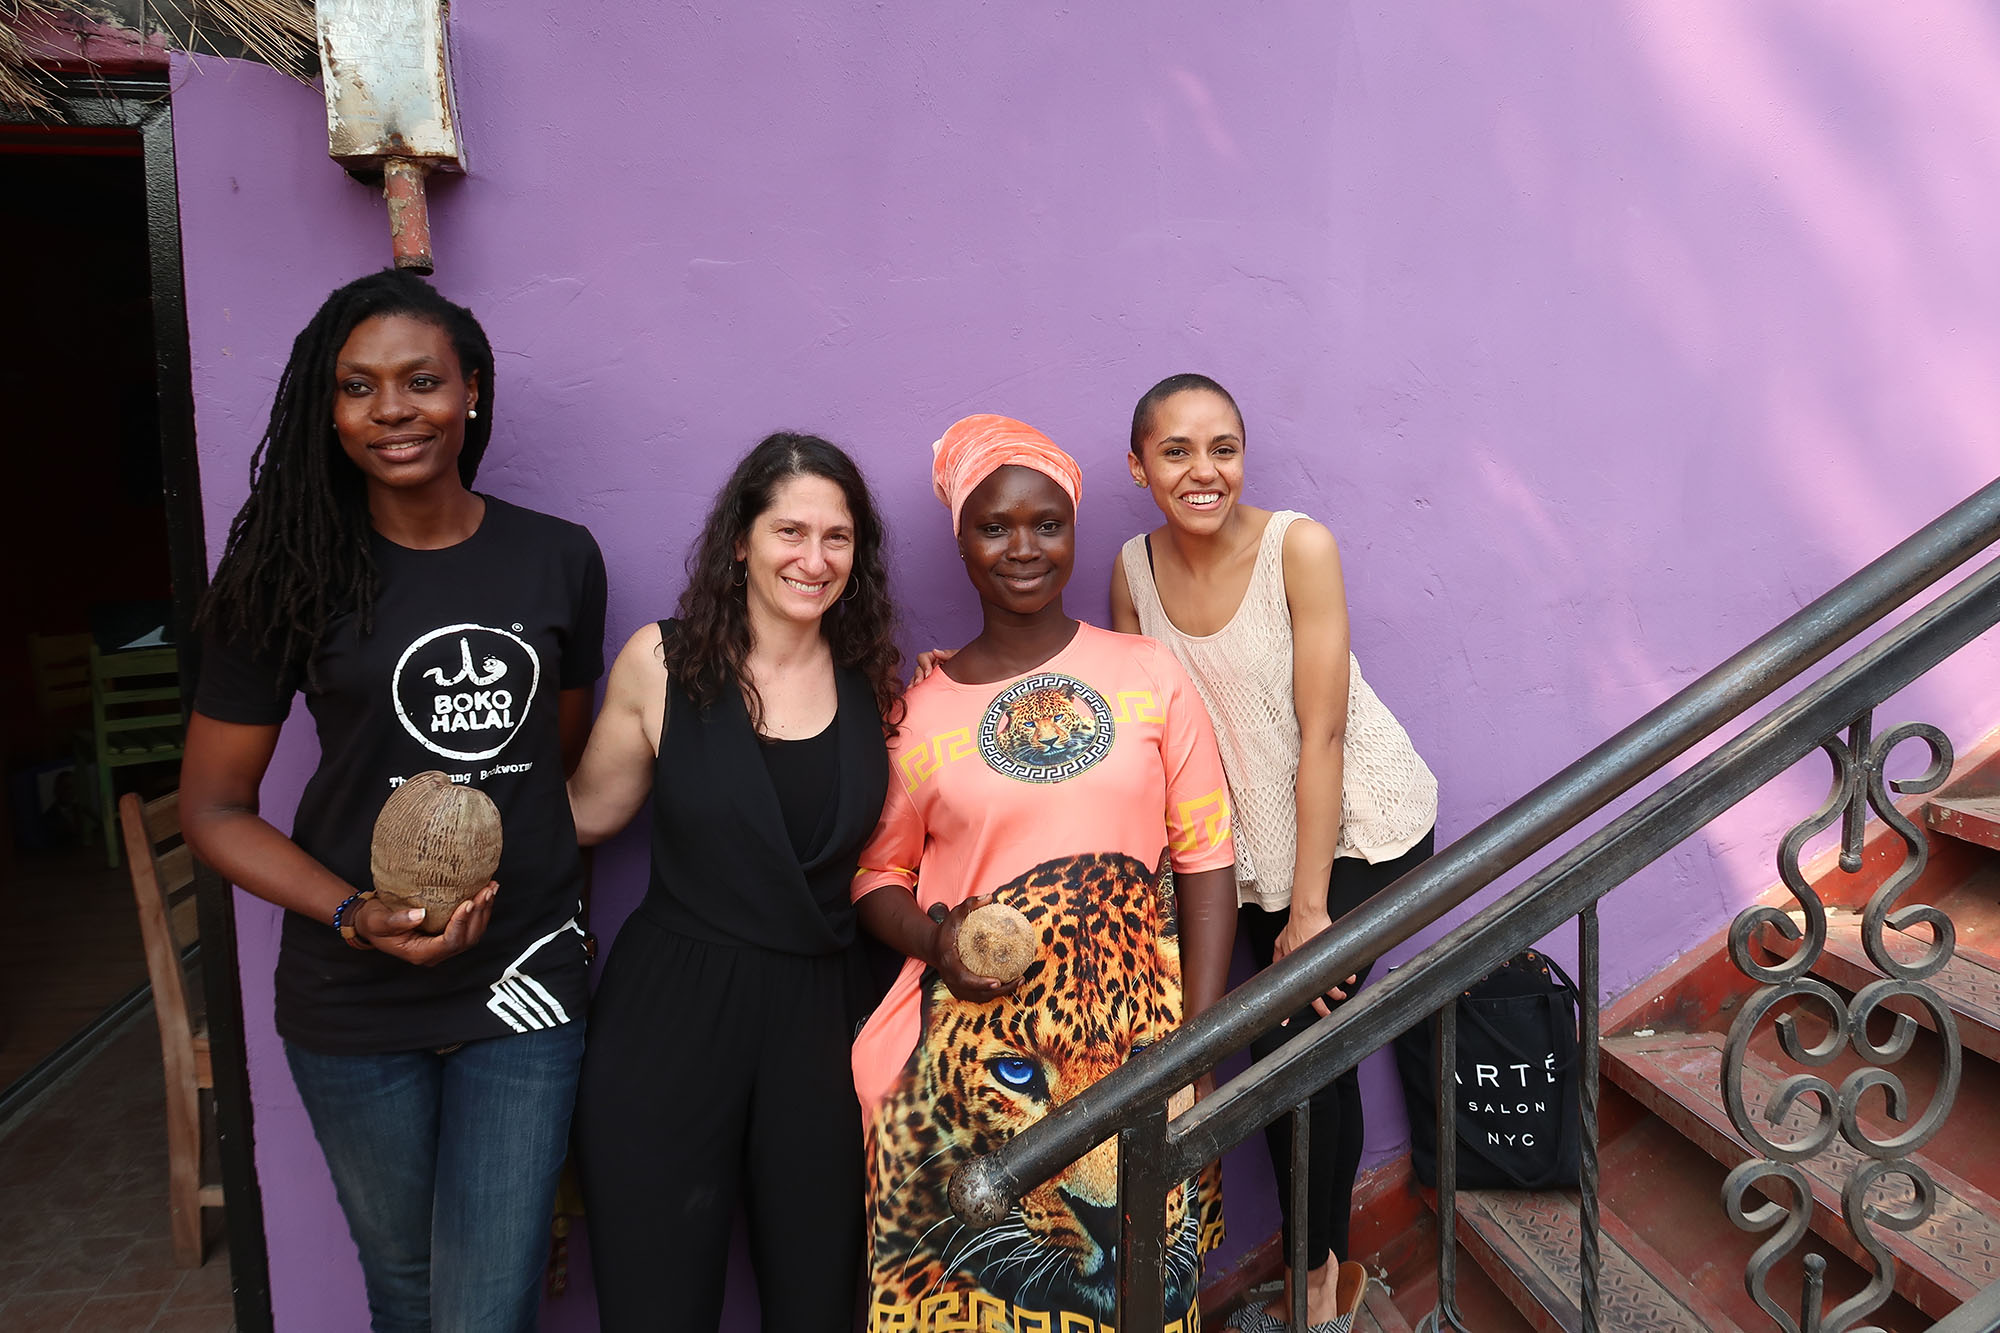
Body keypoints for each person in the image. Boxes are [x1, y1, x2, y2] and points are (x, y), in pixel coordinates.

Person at [181, 269, 607, 1333]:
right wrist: (351, 912)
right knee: (406, 1287)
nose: (392, 410)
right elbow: (215, 809)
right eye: (357, 386)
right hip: (352, 996)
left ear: (471, 390)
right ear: (327, 411)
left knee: (488, 1301)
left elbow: (548, 763)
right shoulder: (287, 573)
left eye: (421, 380)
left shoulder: (557, 558)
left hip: (522, 981)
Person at [851, 414, 1238, 1333]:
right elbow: (875, 876)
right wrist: (936, 942)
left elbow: (1207, 856)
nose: (1022, 547)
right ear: (963, 542)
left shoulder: (1148, 673)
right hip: (985, 1094)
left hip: (1142, 1057)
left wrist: (1197, 1048)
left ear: (1072, 533)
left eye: (1046, 524)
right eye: (995, 527)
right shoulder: (916, 712)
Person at [1113, 374, 1439, 1333]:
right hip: (1245, 855)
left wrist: (1311, 910)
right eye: (1176, 450)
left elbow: (1323, 731)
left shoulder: (1299, 546)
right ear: (1139, 466)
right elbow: (1145, 738)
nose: (1203, 470)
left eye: (1224, 448)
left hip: (1362, 831)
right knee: (1302, 1052)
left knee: (1292, 1042)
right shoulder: (1132, 572)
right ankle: (1326, 1278)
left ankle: (1314, 1293)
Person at [569, 433, 902, 1332]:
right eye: (790, 530)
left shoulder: (876, 682)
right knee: (656, 1300)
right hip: (670, 1014)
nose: (814, 558)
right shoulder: (661, 662)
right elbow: (587, 814)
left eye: (837, 537)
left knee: (820, 1299)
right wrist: (461, 807)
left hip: (822, 1022)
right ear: (741, 541)